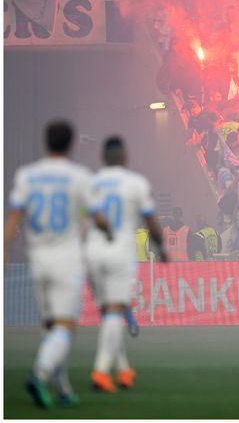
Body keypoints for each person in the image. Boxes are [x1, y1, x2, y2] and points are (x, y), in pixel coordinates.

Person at [4, 120, 111, 408]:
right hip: (66, 262)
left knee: (52, 327)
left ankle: (62, 388)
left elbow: (12, 219)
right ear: (71, 144)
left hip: (37, 262)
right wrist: (107, 229)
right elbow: (98, 216)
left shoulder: (28, 175)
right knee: (65, 327)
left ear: (46, 142)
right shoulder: (78, 177)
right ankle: (39, 375)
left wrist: (3, 253)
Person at [85, 137, 167, 393]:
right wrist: (162, 248)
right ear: (125, 155)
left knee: (109, 315)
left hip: (93, 252)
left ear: (103, 156)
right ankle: (100, 371)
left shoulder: (92, 183)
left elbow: (82, 218)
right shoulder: (136, 183)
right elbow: (151, 221)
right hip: (119, 253)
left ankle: (123, 370)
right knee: (113, 312)